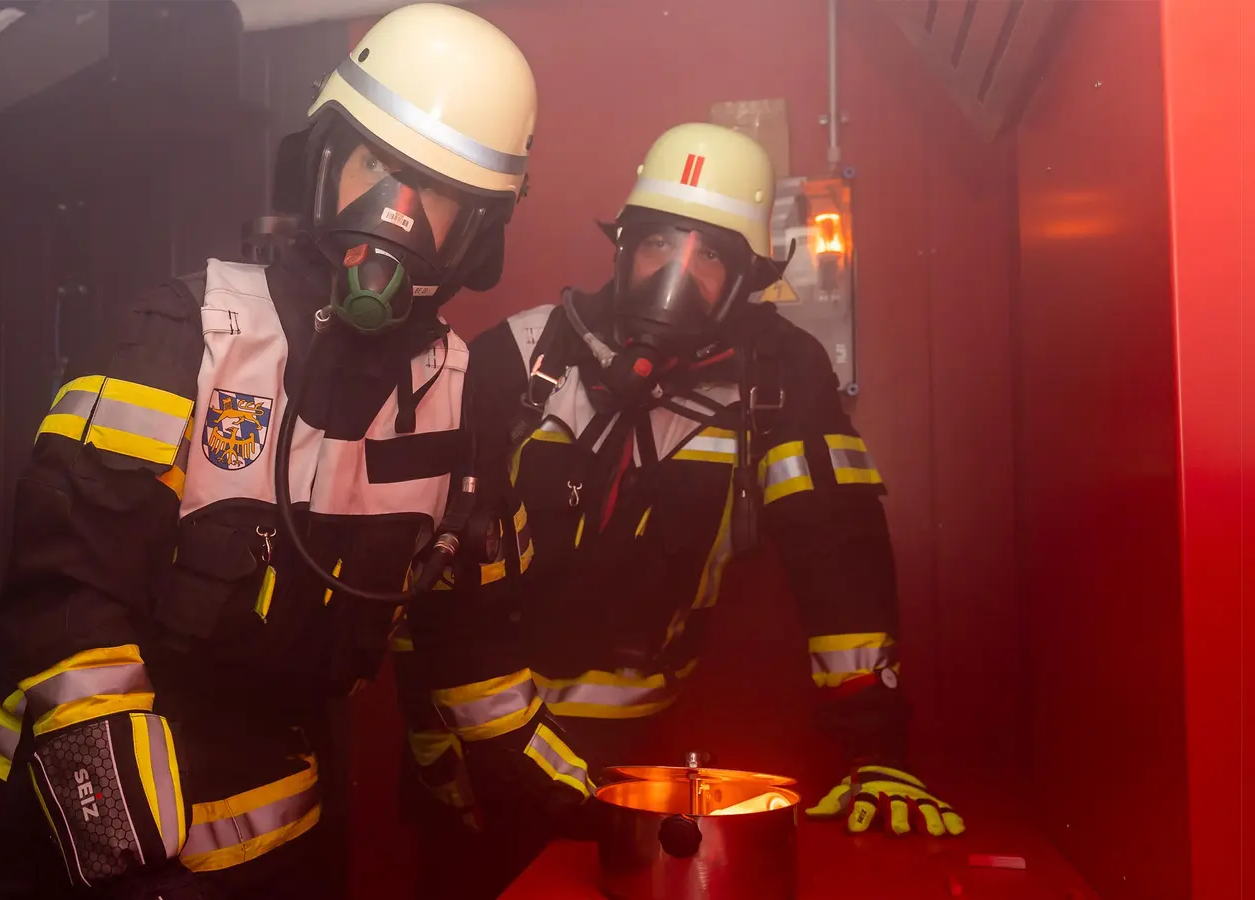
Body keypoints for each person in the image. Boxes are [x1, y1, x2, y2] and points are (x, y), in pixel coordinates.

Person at [0, 5, 541, 898]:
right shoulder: (184, 334)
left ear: (477, 238)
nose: (392, 218)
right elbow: (70, 602)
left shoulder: (463, 404)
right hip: (55, 834)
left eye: (435, 197)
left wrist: (576, 809)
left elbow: (471, 645)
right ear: (322, 163)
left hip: (269, 833)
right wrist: (129, 861)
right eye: (373, 169)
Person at [396, 122, 965, 898]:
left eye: (712, 256)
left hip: (632, 758)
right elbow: (428, 556)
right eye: (661, 242)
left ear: (746, 278)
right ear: (624, 247)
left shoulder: (776, 379)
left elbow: (840, 556)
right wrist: (432, 741)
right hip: (474, 739)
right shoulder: (520, 356)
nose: (677, 272)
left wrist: (878, 751)